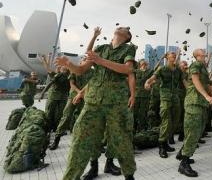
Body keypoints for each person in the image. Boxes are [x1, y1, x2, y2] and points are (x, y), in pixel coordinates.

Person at [55, 26, 137, 180]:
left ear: (127, 36)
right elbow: (80, 70)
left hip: (116, 103)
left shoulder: (128, 49)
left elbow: (127, 69)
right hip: (93, 101)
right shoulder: (101, 48)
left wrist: (100, 60)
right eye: (119, 27)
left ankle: (129, 175)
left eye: (124, 29)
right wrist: (69, 64)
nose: (121, 28)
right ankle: (72, 176)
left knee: (121, 139)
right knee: (81, 137)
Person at [177, 48, 212, 178]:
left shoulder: (203, 68)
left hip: (200, 104)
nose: (204, 50)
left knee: (197, 132)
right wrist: (206, 96)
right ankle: (183, 164)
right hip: (194, 103)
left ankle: (184, 155)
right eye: (201, 50)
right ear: (197, 55)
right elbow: (195, 81)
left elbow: (207, 86)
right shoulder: (195, 64)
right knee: (193, 132)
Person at [145, 50, 183, 158]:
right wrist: (147, 82)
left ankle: (166, 142)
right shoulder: (162, 69)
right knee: (166, 121)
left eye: (175, 56)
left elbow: (184, 82)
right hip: (165, 97)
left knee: (175, 121)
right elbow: (153, 77)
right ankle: (161, 145)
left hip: (175, 98)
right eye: (172, 56)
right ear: (167, 58)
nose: (174, 57)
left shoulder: (178, 71)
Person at [39, 54, 71, 132]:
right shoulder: (57, 75)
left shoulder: (69, 76)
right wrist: (42, 93)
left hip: (63, 97)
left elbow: (71, 87)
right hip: (54, 96)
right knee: (50, 113)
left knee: (59, 114)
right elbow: (49, 83)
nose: (60, 68)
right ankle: (49, 127)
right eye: (60, 68)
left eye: (63, 68)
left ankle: (57, 128)